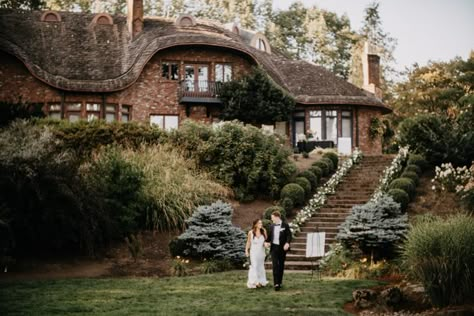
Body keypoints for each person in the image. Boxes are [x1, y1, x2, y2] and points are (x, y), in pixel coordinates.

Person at [265, 211, 292, 291]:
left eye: (272, 217)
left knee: (281, 265)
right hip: (274, 248)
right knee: (275, 265)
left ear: (277, 217)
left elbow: (289, 235)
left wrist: (287, 243)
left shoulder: (285, 225)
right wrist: (266, 242)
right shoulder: (272, 226)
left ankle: (280, 282)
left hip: (282, 248)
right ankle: (276, 284)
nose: (271, 219)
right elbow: (269, 237)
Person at [245, 219, 268, 289]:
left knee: (260, 266)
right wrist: (246, 250)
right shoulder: (250, 233)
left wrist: (265, 244)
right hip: (253, 252)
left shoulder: (264, 231)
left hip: (261, 252)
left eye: (261, 223)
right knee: (254, 266)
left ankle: (261, 281)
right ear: (255, 224)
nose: (261, 224)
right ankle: (255, 282)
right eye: (259, 223)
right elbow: (248, 242)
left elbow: (265, 241)